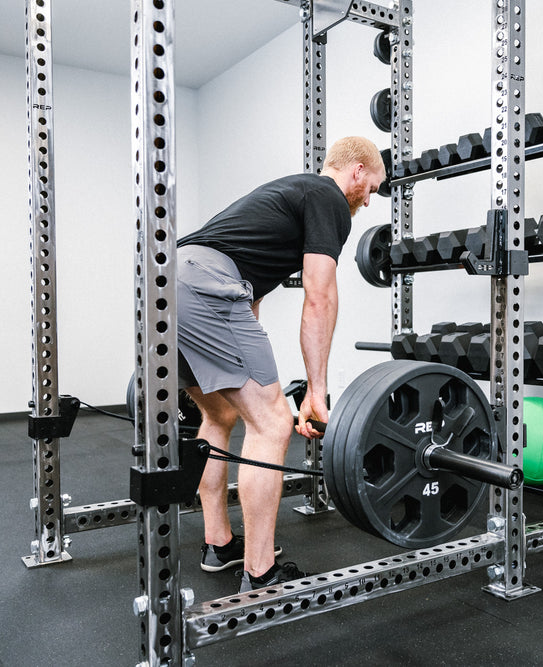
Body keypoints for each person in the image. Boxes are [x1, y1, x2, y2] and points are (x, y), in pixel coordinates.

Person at [174, 136, 386, 592]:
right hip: (205, 286)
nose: (369, 200)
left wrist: (256, 380)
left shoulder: (287, 196)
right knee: (272, 425)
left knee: (220, 413)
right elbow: (320, 296)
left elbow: (252, 295)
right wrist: (316, 391)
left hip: (168, 283)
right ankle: (261, 571)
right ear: (355, 172)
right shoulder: (328, 198)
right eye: (371, 186)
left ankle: (218, 542)